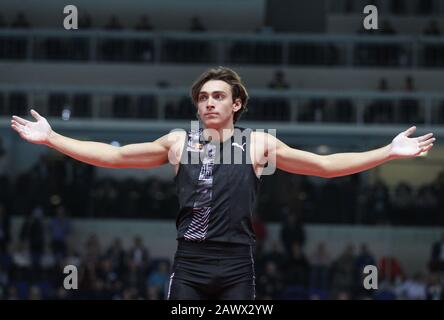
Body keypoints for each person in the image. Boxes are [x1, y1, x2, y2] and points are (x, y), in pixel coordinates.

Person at [10, 66, 435, 300]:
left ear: (237, 104)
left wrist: (388, 152)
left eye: (218, 96)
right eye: (203, 97)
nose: (209, 102)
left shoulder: (259, 145)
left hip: (236, 266)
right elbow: (113, 155)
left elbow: (325, 166)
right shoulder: (177, 143)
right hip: (190, 266)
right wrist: (51, 138)